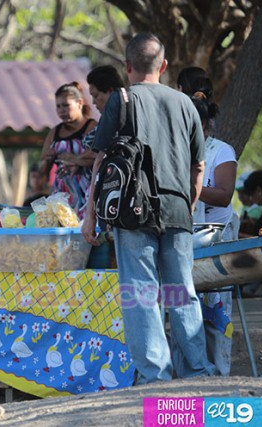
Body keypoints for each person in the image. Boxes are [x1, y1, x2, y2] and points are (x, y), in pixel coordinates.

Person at [82, 33, 217, 384]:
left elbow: (101, 160)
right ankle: (198, 371)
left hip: (132, 212)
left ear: (127, 67)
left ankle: (155, 377)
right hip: (177, 210)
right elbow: (198, 167)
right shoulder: (187, 104)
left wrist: (91, 214)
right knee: (180, 291)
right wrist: (187, 206)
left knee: (142, 294)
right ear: (164, 66)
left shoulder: (122, 99)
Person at [185, 85, 238, 376]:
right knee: (186, 306)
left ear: (204, 124)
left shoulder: (221, 151)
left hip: (214, 237)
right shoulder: (179, 151)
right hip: (184, 237)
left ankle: (219, 373)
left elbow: (224, 195)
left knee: (215, 308)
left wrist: (190, 188)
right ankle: (193, 371)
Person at [39, 82, 97, 218]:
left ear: (80, 103)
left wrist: (75, 159)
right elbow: (42, 170)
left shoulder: (92, 127)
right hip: (61, 196)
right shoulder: (55, 132)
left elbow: (97, 156)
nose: (61, 110)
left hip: (88, 192)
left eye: (66, 105)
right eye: (58, 106)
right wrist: (48, 159)